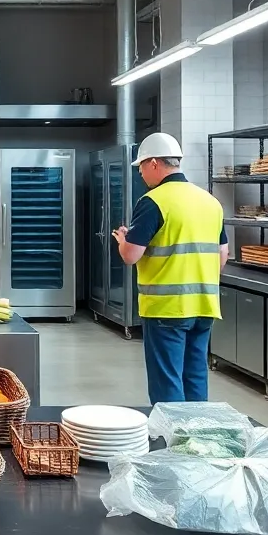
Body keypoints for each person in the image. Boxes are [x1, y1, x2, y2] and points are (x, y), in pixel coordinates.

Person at [113, 132, 229, 405]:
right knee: (195, 374)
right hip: (204, 305)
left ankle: (172, 443)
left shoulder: (154, 201)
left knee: (167, 380)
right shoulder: (209, 201)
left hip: (167, 308)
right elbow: (222, 255)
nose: (141, 174)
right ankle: (197, 439)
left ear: (154, 163)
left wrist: (122, 241)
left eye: (141, 166)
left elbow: (131, 255)